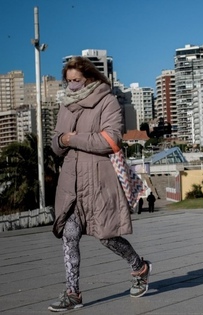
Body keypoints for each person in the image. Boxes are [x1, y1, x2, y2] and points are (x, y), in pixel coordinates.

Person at [48, 57, 151, 312]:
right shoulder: (65, 106)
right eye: (69, 81)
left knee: (107, 236)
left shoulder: (108, 101)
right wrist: (62, 140)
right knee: (69, 236)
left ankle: (139, 267)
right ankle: (73, 293)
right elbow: (55, 144)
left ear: (90, 78)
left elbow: (111, 140)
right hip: (70, 181)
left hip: (98, 180)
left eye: (77, 81)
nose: (72, 86)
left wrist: (72, 138)